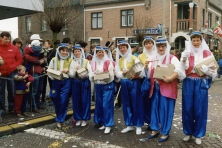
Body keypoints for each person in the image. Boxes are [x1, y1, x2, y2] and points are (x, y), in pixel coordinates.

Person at [180, 31, 217, 145]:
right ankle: (188, 132)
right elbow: (181, 72)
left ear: (201, 41)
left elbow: (214, 73)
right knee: (187, 108)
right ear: (191, 41)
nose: (196, 42)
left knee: (200, 109)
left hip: (201, 82)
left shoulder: (208, 53)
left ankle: (199, 134)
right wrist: (183, 61)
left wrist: (207, 71)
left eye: (198, 40)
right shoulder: (186, 52)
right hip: (188, 82)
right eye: (194, 40)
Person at [147, 38, 185, 142]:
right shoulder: (154, 58)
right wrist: (146, 67)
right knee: (154, 109)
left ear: (166, 47)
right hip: (155, 88)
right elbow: (149, 73)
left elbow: (179, 71)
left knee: (166, 110)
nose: (160, 48)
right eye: (159, 46)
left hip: (167, 88)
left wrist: (170, 78)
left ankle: (165, 132)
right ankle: (155, 129)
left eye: (163, 46)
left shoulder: (172, 58)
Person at [115, 40, 144, 135]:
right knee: (126, 103)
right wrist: (122, 73)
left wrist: (136, 75)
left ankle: (138, 125)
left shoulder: (134, 58)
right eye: (120, 48)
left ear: (127, 48)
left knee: (136, 102)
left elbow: (142, 71)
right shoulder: (119, 60)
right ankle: (129, 124)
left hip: (134, 82)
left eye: (124, 47)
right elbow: (117, 73)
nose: (122, 49)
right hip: (124, 82)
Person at [89, 46, 115, 134]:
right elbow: (91, 73)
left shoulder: (108, 62)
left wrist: (103, 76)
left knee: (106, 105)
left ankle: (108, 124)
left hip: (107, 85)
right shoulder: (94, 62)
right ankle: (104, 122)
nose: (100, 53)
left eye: (102, 52)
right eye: (98, 52)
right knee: (99, 105)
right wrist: (93, 76)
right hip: (98, 86)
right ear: (96, 53)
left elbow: (111, 75)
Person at [48, 43, 72, 130]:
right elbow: (49, 70)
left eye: (66, 51)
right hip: (56, 82)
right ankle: (60, 118)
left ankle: (60, 119)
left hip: (66, 82)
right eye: (63, 51)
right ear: (59, 51)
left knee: (64, 100)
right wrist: (53, 76)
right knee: (56, 100)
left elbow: (72, 72)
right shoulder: (54, 60)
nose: (65, 52)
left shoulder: (70, 60)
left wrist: (68, 70)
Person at [0, 31, 23, 114]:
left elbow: (19, 59)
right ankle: (2, 108)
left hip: (11, 72)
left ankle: (11, 107)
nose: (7, 41)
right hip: (1, 73)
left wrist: (14, 66)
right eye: (5, 39)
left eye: (8, 39)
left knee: (12, 91)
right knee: (1, 92)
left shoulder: (14, 48)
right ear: (1, 38)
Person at [69, 45, 91, 127]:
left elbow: (90, 72)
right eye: (75, 51)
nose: (77, 53)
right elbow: (71, 74)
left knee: (84, 100)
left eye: (79, 51)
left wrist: (83, 72)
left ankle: (84, 118)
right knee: (76, 100)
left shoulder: (86, 61)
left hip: (84, 81)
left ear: (81, 52)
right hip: (76, 82)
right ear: (73, 53)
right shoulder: (72, 62)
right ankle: (78, 118)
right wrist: (75, 71)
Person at [138, 36, 156, 130]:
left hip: (157, 82)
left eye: (150, 43)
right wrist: (145, 67)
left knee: (156, 102)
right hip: (146, 81)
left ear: (153, 44)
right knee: (147, 102)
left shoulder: (157, 54)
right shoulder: (141, 56)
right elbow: (139, 71)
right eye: (146, 43)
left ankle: (156, 121)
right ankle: (149, 121)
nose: (148, 45)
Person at [24, 36, 46, 113]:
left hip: (40, 71)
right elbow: (27, 58)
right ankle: (33, 106)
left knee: (39, 89)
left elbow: (44, 58)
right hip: (33, 72)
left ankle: (37, 103)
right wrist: (38, 61)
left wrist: (43, 61)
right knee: (34, 90)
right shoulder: (28, 49)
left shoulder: (40, 50)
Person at [41, 39, 56, 104]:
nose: (44, 44)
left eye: (46, 43)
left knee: (52, 84)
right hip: (44, 70)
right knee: (43, 84)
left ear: (49, 44)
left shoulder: (53, 51)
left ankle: (53, 98)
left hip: (51, 70)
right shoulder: (43, 51)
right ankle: (43, 98)